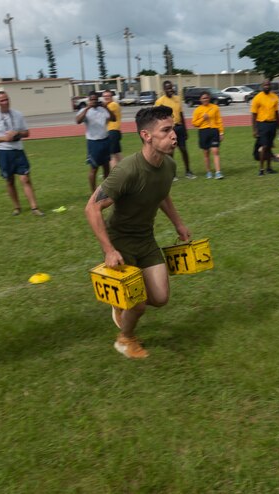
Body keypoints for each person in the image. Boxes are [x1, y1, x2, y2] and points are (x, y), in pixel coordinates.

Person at [84, 106, 191, 359]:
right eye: (166, 131)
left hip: (146, 239)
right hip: (119, 243)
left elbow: (162, 193)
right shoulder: (127, 170)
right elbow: (92, 208)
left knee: (161, 297)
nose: (174, 136)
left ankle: (122, 302)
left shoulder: (169, 166)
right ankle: (125, 339)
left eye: (173, 128)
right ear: (146, 136)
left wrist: (178, 223)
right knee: (139, 302)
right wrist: (109, 250)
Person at [0, 91, 44, 216]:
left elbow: (27, 133)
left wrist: (17, 134)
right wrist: (3, 139)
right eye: (2, 101)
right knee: (9, 180)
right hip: (3, 151)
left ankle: (34, 207)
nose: (5, 102)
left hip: (18, 150)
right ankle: (16, 207)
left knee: (25, 178)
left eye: (6, 99)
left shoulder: (18, 114)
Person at [76, 90, 117, 192]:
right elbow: (78, 120)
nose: (94, 101)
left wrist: (106, 107)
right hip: (94, 142)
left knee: (106, 167)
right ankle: (93, 193)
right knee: (94, 169)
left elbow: (114, 118)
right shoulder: (85, 110)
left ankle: (106, 191)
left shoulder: (102, 109)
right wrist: (87, 108)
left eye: (95, 99)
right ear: (89, 100)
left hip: (105, 140)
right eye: (92, 99)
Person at [155, 81, 195, 179]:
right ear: (164, 90)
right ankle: (172, 174)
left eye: (171, 87)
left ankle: (188, 171)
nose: (170, 90)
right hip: (169, 129)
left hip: (179, 127)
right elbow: (156, 117)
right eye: (168, 88)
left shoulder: (177, 98)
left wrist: (185, 129)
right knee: (170, 152)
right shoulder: (160, 101)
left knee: (183, 150)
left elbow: (181, 114)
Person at [191, 91, 225, 180]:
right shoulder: (197, 110)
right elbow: (194, 123)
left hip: (214, 131)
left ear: (209, 98)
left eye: (206, 97)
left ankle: (218, 172)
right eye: (203, 98)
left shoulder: (215, 108)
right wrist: (203, 118)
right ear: (200, 99)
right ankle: (208, 172)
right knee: (206, 153)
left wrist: (221, 132)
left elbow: (219, 120)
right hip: (203, 132)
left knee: (215, 151)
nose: (205, 99)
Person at [250, 79, 279, 176]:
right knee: (264, 146)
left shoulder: (274, 97)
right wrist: (254, 129)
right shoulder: (257, 98)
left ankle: (269, 168)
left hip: (272, 124)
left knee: (270, 146)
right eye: (265, 85)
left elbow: (277, 112)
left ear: (270, 86)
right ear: (262, 86)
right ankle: (261, 169)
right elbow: (254, 114)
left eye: (268, 85)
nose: (266, 86)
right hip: (262, 124)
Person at [103, 89, 123, 168]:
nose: (106, 97)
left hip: (112, 131)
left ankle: (114, 174)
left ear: (112, 96)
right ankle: (127, 170)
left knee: (111, 155)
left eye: (108, 96)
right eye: (105, 96)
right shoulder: (112, 104)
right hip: (115, 131)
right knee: (117, 153)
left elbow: (105, 117)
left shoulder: (112, 105)